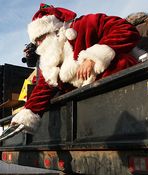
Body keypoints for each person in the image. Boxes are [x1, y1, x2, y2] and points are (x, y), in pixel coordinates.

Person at [11, 3, 140, 133]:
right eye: (36, 41)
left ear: (54, 30)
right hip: (95, 111)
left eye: (40, 38)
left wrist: (92, 58)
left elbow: (126, 29)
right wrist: (27, 113)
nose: (39, 45)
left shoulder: (84, 24)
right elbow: (43, 88)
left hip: (127, 93)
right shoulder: (50, 60)